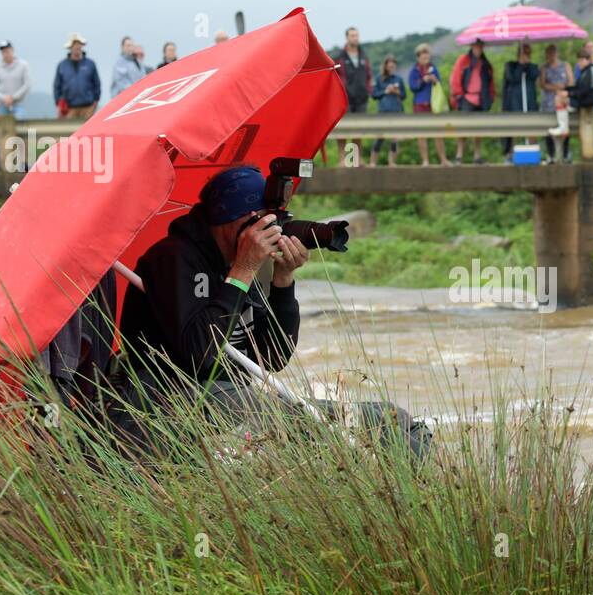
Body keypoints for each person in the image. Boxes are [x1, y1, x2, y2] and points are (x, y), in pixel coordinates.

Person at [113, 165, 429, 457]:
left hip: (231, 398)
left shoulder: (236, 260)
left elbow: (272, 358)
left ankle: (413, 500)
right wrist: (243, 269)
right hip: (166, 398)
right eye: (264, 221)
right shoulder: (174, 259)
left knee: (394, 420)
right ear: (239, 219)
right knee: (286, 418)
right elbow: (200, 352)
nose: (272, 230)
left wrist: (283, 280)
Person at [450, 39, 494, 164]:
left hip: (481, 98)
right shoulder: (463, 61)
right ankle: (459, 156)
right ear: (472, 46)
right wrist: (458, 95)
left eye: (480, 46)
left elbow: (490, 82)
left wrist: (491, 97)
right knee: (462, 127)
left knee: (479, 129)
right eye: (476, 46)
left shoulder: (485, 63)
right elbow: (456, 78)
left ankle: (477, 156)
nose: (478, 49)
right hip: (467, 98)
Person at [333, 27, 371, 164]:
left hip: (361, 98)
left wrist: (368, 90)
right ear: (347, 38)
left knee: (358, 129)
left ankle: (356, 158)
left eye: (356, 35)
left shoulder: (363, 56)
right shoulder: (340, 57)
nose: (355, 38)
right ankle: (343, 159)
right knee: (343, 129)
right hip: (345, 97)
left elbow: (368, 75)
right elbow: (334, 77)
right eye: (352, 36)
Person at [408, 43, 450, 166]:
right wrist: (422, 81)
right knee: (422, 134)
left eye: (427, 57)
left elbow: (439, 83)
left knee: (439, 133)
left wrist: (434, 80)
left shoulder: (433, 68)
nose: (426, 60)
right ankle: (425, 160)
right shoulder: (414, 70)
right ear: (418, 58)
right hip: (420, 104)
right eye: (423, 58)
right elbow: (412, 86)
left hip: (433, 104)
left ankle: (443, 159)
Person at [501, 42, 541, 158]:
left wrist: (527, 66)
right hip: (515, 102)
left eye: (529, 53)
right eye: (525, 52)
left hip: (530, 101)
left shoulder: (533, 67)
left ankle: (533, 151)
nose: (527, 55)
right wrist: (520, 65)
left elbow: (534, 76)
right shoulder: (510, 66)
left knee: (532, 128)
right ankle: (511, 152)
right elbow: (513, 78)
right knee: (515, 128)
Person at [53, 33, 101, 120]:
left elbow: (97, 84)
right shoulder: (62, 65)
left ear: (81, 47)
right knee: (69, 132)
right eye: (74, 46)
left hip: (88, 108)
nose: (76, 48)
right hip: (69, 108)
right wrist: (59, 104)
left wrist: (95, 101)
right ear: (70, 48)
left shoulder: (90, 64)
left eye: (78, 46)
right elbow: (57, 86)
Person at [369, 54, 406, 166]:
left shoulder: (399, 79)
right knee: (380, 137)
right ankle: (373, 162)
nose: (391, 68)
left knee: (395, 138)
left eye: (393, 66)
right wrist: (386, 91)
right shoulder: (379, 79)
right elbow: (374, 95)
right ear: (385, 66)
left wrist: (396, 92)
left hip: (396, 110)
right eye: (389, 66)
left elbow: (404, 96)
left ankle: (391, 161)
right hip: (383, 111)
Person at [540, 44, 574, 163]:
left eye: (552, 53)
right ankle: (551, 154)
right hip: (549, 102)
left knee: (564, 127)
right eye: (548, 53)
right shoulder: (544, 67)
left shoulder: (565, 65)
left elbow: (571, 81)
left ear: (557, 53)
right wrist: (555, 87)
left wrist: (563, 89)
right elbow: (543, 84)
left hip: (562, 100)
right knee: (549, 128)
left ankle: (565, 154)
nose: (550, 56)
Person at [0, 41, 30, 119]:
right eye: (3, 52)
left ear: (12, 50)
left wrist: (13, 97)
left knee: (22, 125)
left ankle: (32, 132)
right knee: (2, 127)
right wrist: (4, 98)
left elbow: (27, 85)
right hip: (2, 105)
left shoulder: (23, 65)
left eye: (7, 51)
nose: (5, 54)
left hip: (19, 104)